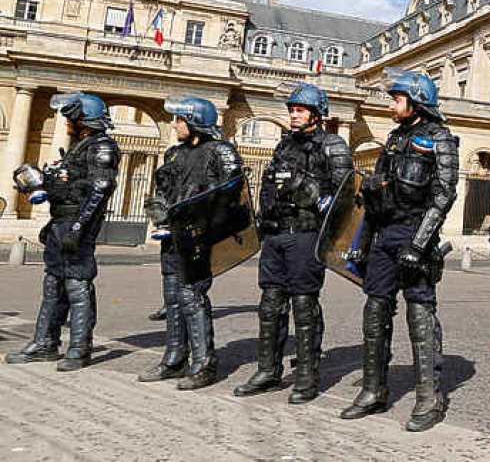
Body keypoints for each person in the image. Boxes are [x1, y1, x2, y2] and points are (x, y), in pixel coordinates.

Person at [341, 70, 457, 432]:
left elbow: (443, 196)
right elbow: (374, 197)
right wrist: (361, 244)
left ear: (416, 100)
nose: (391, 105)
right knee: (375, 310)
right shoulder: (392, 140)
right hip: (384, 236)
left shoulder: (441, 139)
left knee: (420, 315)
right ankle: (374, 390)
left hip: (414, 236)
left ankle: (429, 397)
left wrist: (419, 244)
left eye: (396, 99)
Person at [234, 83, 353, 404]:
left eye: (300, 110)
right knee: (270, 304)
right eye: (292, 109)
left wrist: (311, 191)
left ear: (316, 113)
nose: (293, 115)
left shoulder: (334, 146)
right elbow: (269, 185)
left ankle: (307, 376)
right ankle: (268, 370)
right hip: (276, 234)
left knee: (304, 304)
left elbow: (345, 199)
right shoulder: (283, 147)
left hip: (307, 234)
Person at [7, 93, 120, 370]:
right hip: (61, 224)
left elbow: (100, 191)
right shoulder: (79, 147)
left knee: (77, 285)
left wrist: (80, 229)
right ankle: (45, 343)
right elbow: (69, 187)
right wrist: (44, 183)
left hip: (77, 226)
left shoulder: (102, 146)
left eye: (70, 117)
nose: (66, 121)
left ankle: (80, 348)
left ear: (84, 119)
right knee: (53, 285)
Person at [138, 95, 243, 390]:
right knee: (172, 296)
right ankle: (174, 359)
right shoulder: (173, 153)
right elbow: (166, 190)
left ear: (196, 120)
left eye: (180, 119)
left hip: (199, 237)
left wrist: (204, 223)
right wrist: (159, 206)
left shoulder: (221, 151)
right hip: (171, 236)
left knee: (191, 297)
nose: (175, 125)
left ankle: (203, 364)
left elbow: (230, 195)